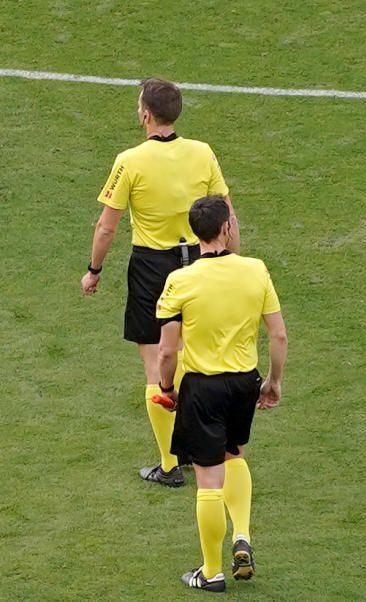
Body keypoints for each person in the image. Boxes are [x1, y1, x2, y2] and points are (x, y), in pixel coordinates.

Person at [80, 77, 242, 486]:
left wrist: (94, 270)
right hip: (200, 264)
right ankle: (198, 450)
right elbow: (226, 212)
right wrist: (233, 263)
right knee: (191, 358)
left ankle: (170, 465)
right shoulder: (203, 153)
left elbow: (106, 226)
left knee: (156, 363)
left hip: (153, 269)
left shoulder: (129, 161)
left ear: (146, 114)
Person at [156, 196, 287, 592]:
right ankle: (242, 534)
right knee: (235, 456)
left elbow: (166, 350)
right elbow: (278, 334)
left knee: (208, 480)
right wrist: (273, 382)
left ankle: (211, 573)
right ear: (227, 229)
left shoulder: (181, 280)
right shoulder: (255, 269)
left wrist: (166, 387)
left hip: (202, 386)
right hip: (244, 382)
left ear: (197, 234)